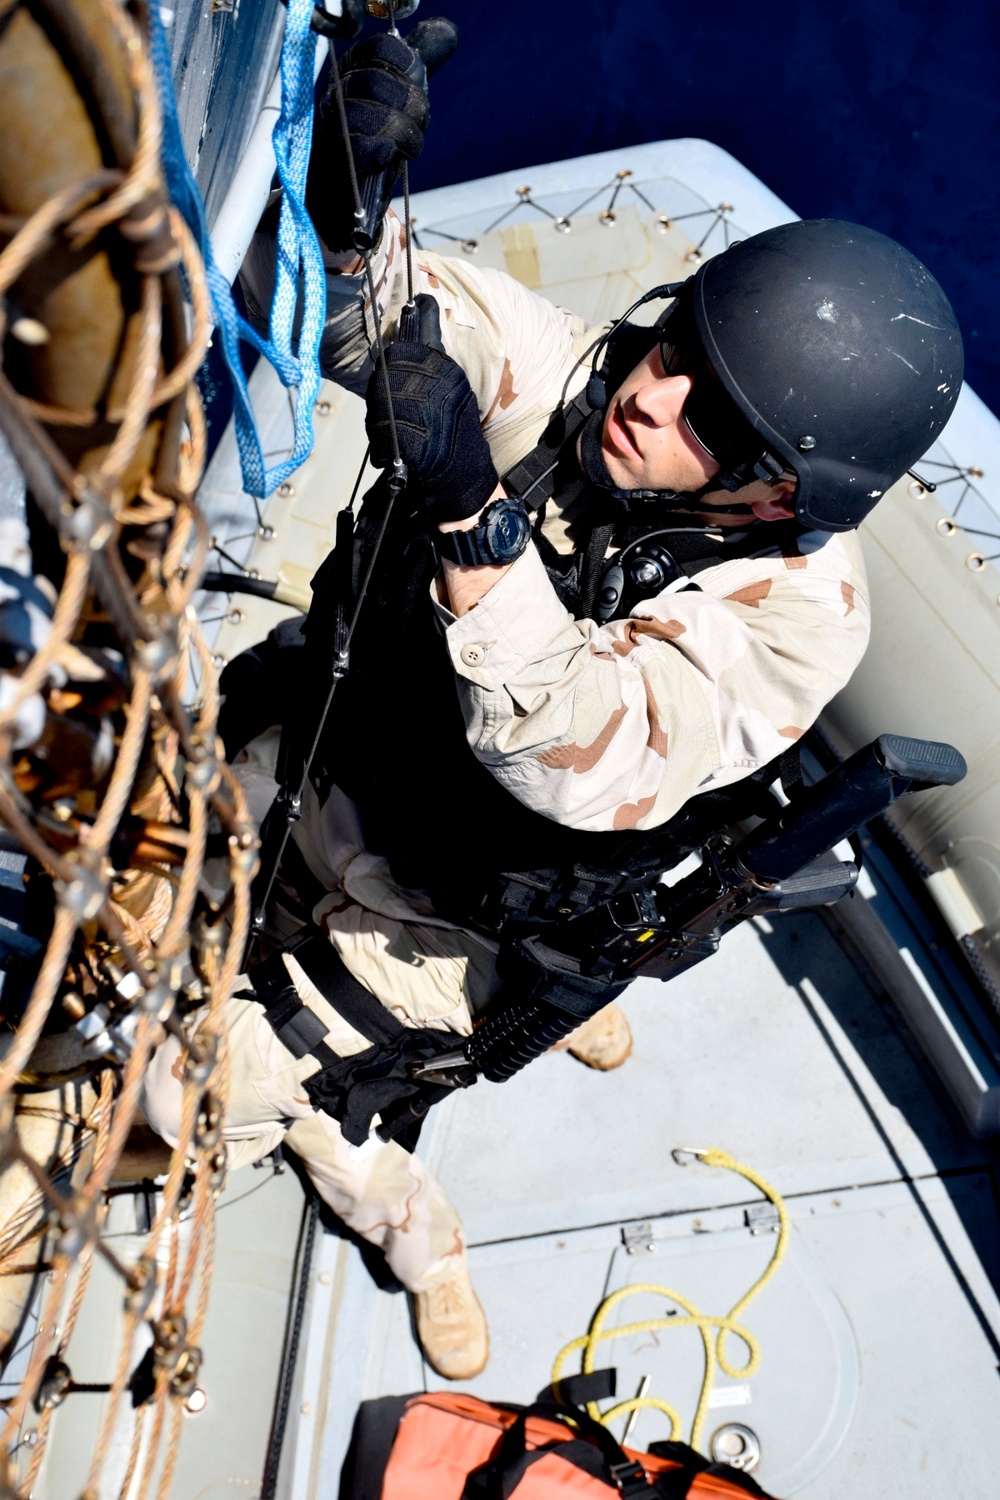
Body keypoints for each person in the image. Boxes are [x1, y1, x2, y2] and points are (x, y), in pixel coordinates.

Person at [145, 28, 963, 1382]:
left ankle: (423, 1237)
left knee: (272, 1097)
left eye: (713, 419)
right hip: (335, 750)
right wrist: (347, 220)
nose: (651, 394)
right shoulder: (603, 388)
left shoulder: (796, 624)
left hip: (455, 906)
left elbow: (585, 761)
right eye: (678, 345)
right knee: (150, 877)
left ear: (777, 497)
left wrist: (472, 519)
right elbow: (403, 326)